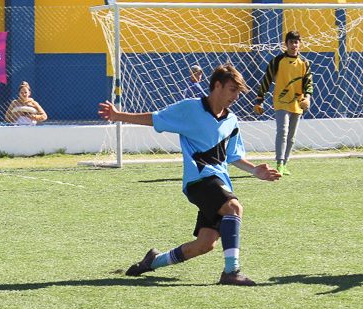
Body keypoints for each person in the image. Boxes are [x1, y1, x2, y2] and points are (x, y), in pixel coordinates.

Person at [98, 64, 281, 286]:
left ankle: (153, 261)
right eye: (232, 90)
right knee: (234, 208)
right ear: (217, 85)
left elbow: (232, 156)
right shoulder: (190, 109)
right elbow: (155, 118)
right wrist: (119, 115)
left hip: (219, 182)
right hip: (199, 180)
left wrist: (255, 171)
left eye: (238, 92)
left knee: (205, 244)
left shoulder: (231, 121)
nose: (236, 96)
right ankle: (231, 272)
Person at [254, 31, 313, 176]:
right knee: (283, 131)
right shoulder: (277, 61)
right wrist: (259, 100)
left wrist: (308, 98)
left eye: (296, 42)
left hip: (297, 103)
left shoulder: (304, 63)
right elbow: (266, 80)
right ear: (285, 45)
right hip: (280, 102)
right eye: (291, 42)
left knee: (291, 136)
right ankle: (279, 163)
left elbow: (308, 83)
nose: (294, 45)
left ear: (300, 44)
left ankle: (285, 164)